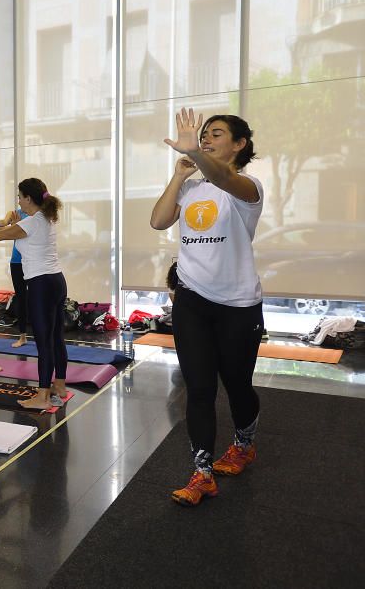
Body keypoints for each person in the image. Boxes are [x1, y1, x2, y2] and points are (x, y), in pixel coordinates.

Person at [149, 109, 263, 507]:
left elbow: (223, 177)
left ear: (239, 144)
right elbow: (158, 221)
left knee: (236, 386)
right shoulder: (192, 186)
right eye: (203, 135)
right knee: (198, 389)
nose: (207, 139)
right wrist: (180, 174)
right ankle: (202, 473)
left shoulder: (246, 187)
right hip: (192, 299)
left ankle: (244, 443)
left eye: (216, 134)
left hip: (238, 304)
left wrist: (196, 157)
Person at [0, 178, 68, 410]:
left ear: (28, 198)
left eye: (19, 196)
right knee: (56, 338)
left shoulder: (33, 222)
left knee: (44, 341)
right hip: (56, 281)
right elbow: (5, 231)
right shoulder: (41, 219)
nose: (18, 200)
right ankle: (59, 386)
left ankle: (42, 396)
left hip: (41, 284)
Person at [1, 207, 30, 347]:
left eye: (21, 196)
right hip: (17, 262)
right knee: (21, 297)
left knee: (38, 298)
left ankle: (43, 335)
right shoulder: (15, 213)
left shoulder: (38, 214)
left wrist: (17, 226)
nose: (19, 200)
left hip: (32, 261)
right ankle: (23, 336)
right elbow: (2, 223)